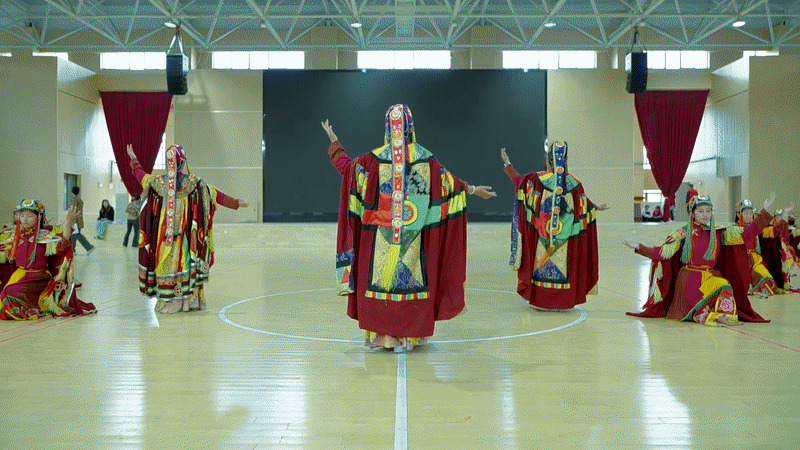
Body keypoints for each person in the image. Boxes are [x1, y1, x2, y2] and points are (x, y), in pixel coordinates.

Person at [322, 105, 496, 352]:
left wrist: (335, 144)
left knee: (382, 282)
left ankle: (385, 335)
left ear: (387, 128)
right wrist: (473, 189)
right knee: (412, 283)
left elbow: (348, 170)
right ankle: (409, 336)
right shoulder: (426, 159)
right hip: (415, 240)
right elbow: (449, 183)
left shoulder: (372, 161)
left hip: (381, 240)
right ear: (411, 127)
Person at [126, 143, 249, 314]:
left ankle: (170, 301)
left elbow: (142, 177)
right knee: (183, 264)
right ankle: (185, 301)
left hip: (167, 236)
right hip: (182, 235)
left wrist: (134, 160)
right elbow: (213, 193)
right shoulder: (191, 183)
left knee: (169, 264)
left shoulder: (160, 183)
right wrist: (234, 202)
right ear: (183, 162)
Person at [624, 194, 775, 326]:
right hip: (690, 279)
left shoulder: (719, 232)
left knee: (725, 286)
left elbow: (746, 234)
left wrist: (764, 212)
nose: (705, 214)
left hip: (710, 276)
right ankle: (706, 315)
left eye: (708, 211)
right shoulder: (683, 233)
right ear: (693, 213)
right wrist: (640, 247)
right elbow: (664, 252)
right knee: (702, 304)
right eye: (700, 211)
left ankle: (720, 316)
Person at [501, 142, 607, 311]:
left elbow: (519, 181)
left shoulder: (537, 180)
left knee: (541, 267)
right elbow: (583, 203)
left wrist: (508, 164)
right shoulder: (574, 183)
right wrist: (595, 207)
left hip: (543, 238)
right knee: (563, 267)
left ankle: (541, 300)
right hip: (565, 241)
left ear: (549, 160)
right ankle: (562, 302)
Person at [0, 200, 96, 320]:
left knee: (8, 293)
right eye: (22, 215)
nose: (25, 219)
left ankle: (31, 310)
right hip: (19, 276)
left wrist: (68, 223)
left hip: (38, 278)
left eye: (29, 216)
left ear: (39, 217)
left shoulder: (45, 236)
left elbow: (63, 246)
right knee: (5, 293)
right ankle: (28, 307)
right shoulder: (16, 236)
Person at [736, 199, 778, 296]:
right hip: (741, 259)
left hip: (755, 259)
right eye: (746, 213)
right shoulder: (735, 229)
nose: (749, 216)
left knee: (766, 276)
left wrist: (766, 208)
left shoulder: (754, 228)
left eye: (751, 213)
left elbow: (768, 230)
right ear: (739, 214)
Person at [69, 186, 95, 255]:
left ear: (72, 192)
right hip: (79, 219)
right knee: (73, 235)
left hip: (75, 220)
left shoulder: (74, 200)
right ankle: (72, 250)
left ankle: (89, 247)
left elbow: (73, 210)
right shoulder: (79, 199)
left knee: (77, 234)